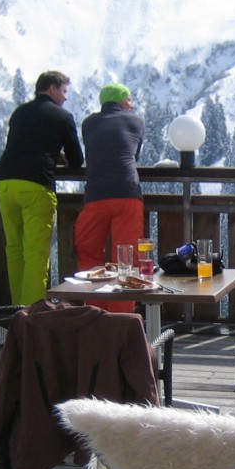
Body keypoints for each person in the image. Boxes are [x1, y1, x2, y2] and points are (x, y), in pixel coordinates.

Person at [0, 70, 83, 306]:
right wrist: (58, 156)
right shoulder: (62, 116)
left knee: (14, 249)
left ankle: (17, 310)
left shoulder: (19, 112)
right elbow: (77, 160)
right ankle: (31, 313)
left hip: (4, 183)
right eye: (64, 91)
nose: (65, 97)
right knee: (36, 253)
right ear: (52, 88)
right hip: (35, 185)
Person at [76, 82, 145, 313]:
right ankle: (121, 316)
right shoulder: (135, 121)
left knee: (88, 252)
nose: (132, 104)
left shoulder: (89, 123)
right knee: (127, 257)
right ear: (121, 101)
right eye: (129, 99)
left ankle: (94, 311)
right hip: (127, 193)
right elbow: (134, 154)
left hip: (96, 195)